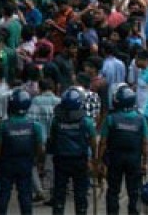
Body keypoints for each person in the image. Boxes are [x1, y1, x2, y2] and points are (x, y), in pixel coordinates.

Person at [0, 89, 45, 215]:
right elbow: (40, 148)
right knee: (25, 195)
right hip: (25, 164)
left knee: (3, 194)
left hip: (5, 165)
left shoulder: (3, 126)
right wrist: (37, 161)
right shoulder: (35, 126)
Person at [99, 84, 148, 215]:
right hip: (134, 160)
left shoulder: (111, 119)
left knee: (113, 191)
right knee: (134, 191)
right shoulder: (141, 119)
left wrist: (99, 160)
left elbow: (103, 142)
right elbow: (145, 143)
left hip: (115, 159)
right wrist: (144, 162)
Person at [48, 86, 97, 215]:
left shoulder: (56, 121)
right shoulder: (86, 121)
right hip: (80, 160)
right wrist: (94, 159)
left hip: (61, 160)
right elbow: (93, 141)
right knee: (80, 194)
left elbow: (52, 139)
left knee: (59, 193)